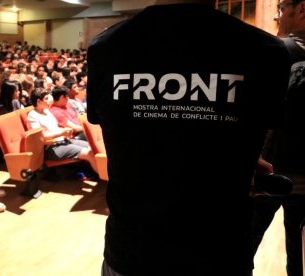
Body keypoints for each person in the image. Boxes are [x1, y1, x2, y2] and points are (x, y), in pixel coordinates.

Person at [86, 0, 291, 275]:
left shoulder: (106, 46)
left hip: (132, 250)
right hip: (219, 252)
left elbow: (125, 132)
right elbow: (254, 133)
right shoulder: (265, 51)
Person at [251, 1, 305, 275]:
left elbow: (253, 112)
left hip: (269, 173)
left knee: (241, 245)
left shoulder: (278, 51)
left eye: (282, 7)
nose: (277, 14)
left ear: (302, 9)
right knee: (301, 256)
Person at [27, 88, 98, 173]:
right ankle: (106, 178)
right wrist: (61, 133)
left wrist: (65, 132)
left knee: (94, 147)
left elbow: (55, 128)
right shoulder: (32, 116)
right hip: (51, 148)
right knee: (89, 153)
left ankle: (103, 173)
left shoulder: (47, 111)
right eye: (46, 98)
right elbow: (40, 137)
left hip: (63, 141)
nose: (50, 100)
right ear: (38, 101)